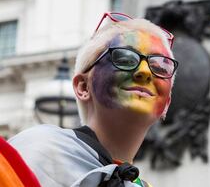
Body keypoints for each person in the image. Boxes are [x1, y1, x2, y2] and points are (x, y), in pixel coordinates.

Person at [9, 12, 178, 187]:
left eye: (160, 67)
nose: (145, 71)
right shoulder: (37, 149)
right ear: (83, 86)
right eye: (124, 59)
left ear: (166, 103)